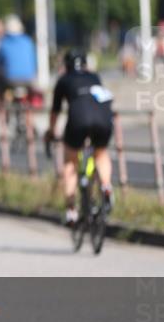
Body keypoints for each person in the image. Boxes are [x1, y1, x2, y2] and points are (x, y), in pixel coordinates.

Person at [44, 51, 115, 225]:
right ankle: (106, 186)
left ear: (66, 65)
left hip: (78, 119)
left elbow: (56, 111)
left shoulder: (63, 80)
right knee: (101, 154)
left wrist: (51, 132)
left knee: (70, 163)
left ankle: (71, 210)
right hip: (103, 118)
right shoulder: (94, 76)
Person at [0, 14, 37, 96]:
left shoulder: (4, 43)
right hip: (29, 78)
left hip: (10, 79)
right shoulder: (28, 41)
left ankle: (2, 105)